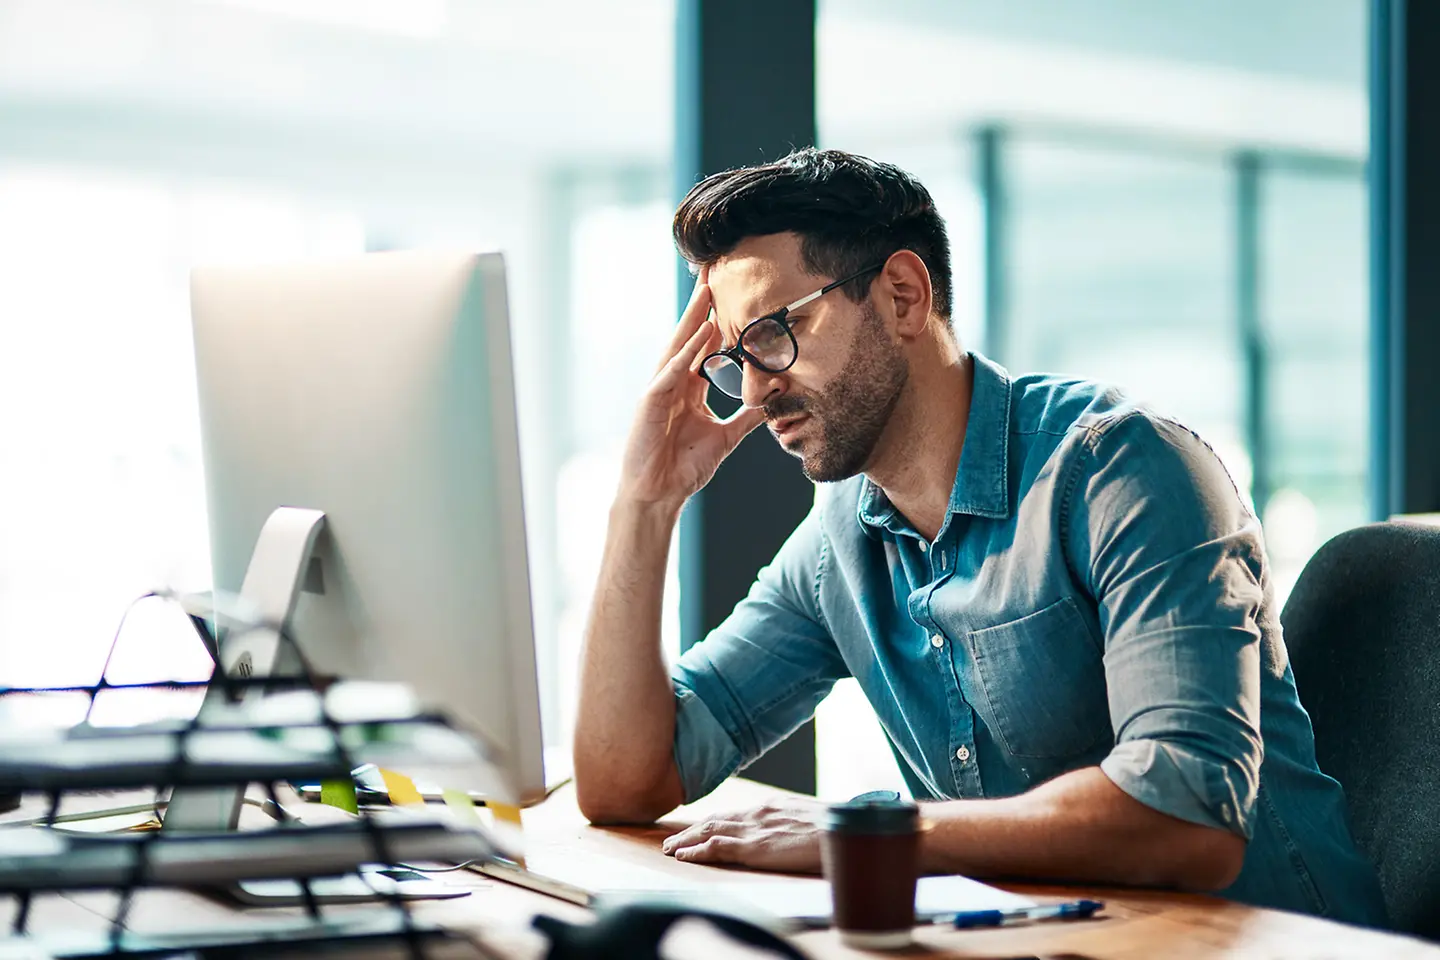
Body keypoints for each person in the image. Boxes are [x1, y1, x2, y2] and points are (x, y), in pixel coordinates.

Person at [572, 147, 1386, 925]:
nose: (753, 391)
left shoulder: (1123, 472)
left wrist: (865, 840)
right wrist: (645, 502)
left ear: (901, 294)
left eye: (774, 335)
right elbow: (627, 780)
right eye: (735, 358)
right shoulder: (841, 545)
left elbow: (1185, 812)